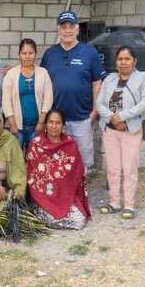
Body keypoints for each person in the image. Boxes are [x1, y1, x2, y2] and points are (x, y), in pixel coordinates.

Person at [40, 10, 105, 171]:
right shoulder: (50, 54)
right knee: (56, 162)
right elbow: (41, 83)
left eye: (71, 27)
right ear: (58, 30)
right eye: (63, 27)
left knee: (81, 164)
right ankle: (60, 195)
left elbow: (97, 84)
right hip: (55, 121)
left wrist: (94, 113)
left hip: (82, 119)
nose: (67, 30)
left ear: (77, 30)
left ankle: (79, 195)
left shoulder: (89, 53)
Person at [96, 46, 145, 219]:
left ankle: (129, 205)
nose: (123, 62)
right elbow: (99, 103)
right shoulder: (109, 79)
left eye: (127, 59)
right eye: (120, 59)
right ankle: (114, 202)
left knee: (129, 169)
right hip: (111, 130)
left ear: (134, 61)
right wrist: (113, 118)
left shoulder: (143, 79)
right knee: (113, 168)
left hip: (131, 130)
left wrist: (121, 117)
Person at [26, 109, 91, 229]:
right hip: (44, 198)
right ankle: (48, 218)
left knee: (79, 222)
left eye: (58, 123)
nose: (54, 126)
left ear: (63, 125)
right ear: (45, 124)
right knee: (50, 217)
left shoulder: (70, 144)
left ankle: (52, 220)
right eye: (51, 122)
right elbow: (33, 177)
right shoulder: (36, 145)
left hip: (65, 197)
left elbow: (77, 173)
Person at [2, 38, 53, 151]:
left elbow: (48, 99)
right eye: (24, 53)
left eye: (30, 53)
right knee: (16, 161)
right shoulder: (11, 74)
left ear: (35, 54)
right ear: (19, 54)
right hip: (16, 128)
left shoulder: (43, 73)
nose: (27, 56)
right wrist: (12, 124)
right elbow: (6, 101)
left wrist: (41, 122)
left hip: (37, 127)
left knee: (35, 161)